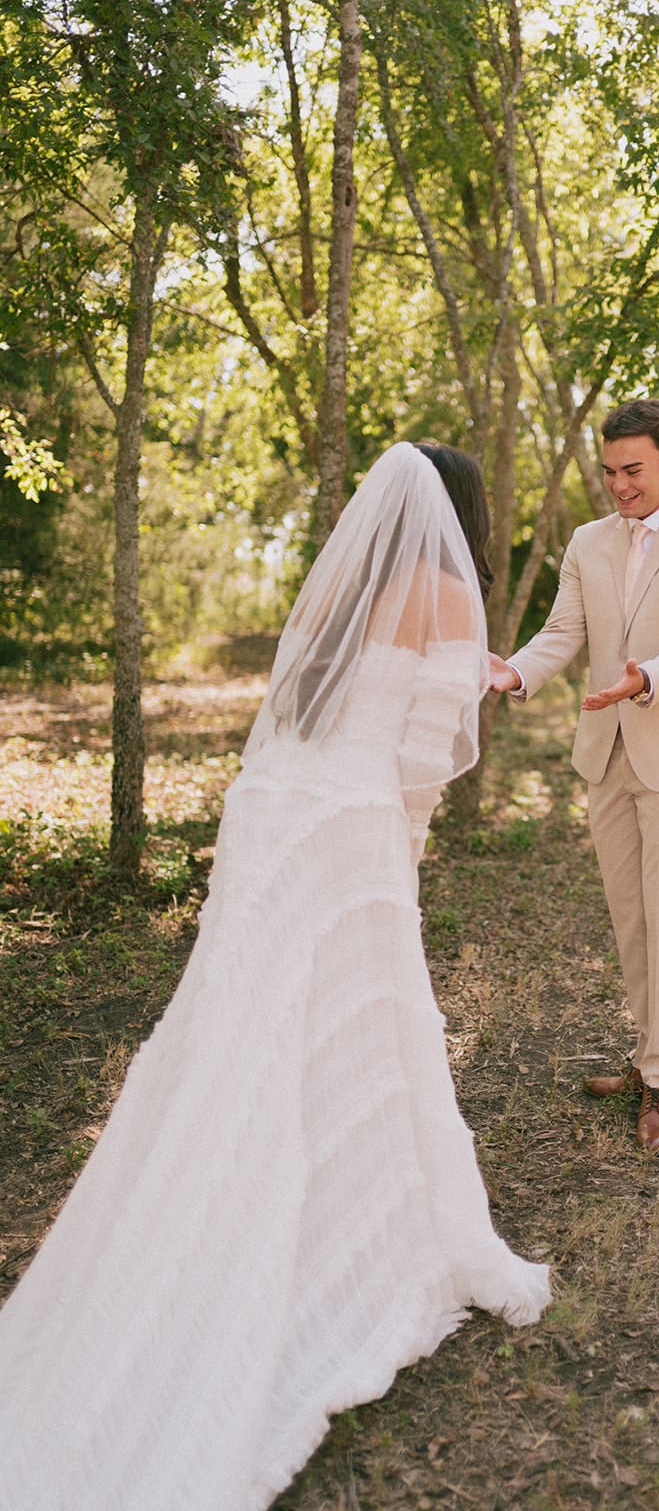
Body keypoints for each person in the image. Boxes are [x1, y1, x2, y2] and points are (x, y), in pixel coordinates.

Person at [0, 441, 550, 1511]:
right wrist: (404, 857)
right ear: (465, 518)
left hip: (272, 811)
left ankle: (219, 1180)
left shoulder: (344, 578)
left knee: (237, 1025)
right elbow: (423, 761)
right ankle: (336, 1228)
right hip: (346, 829)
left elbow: (297, 706)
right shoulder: (447, 591)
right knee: (352, 1023)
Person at [488, 399, 659, 1155]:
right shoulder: (585, 541)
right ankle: (653, 1059)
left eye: (632, 470)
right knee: (630, 918)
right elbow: (563, 631)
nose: (618, 486)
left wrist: (641, 680)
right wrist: (512, 671)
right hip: (605, 752)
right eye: (607, 472)